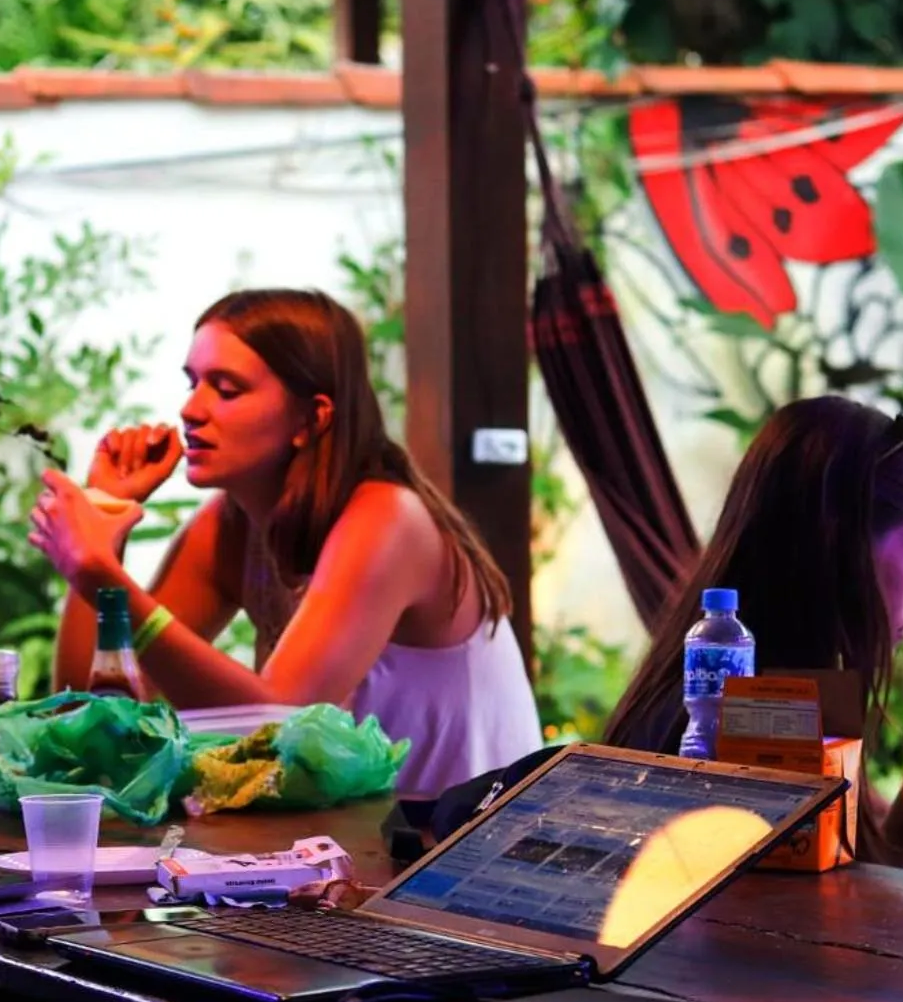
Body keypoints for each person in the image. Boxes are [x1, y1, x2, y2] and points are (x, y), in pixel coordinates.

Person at [28, 287, 542, 797]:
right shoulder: (230, 527)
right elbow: (85, 715)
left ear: (311, 417)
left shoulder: (388, 519)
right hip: (355, 851)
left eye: (225, 390)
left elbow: (280, 725)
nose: (191, 409)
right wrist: (102, 516)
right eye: (192, 383)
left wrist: (105, 578)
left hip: (464, 851)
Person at [601, 395, 903, 879]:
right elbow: (898, 962)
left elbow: (865, 901)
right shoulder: (770, 720)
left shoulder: (728, 683)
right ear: (843, 545)